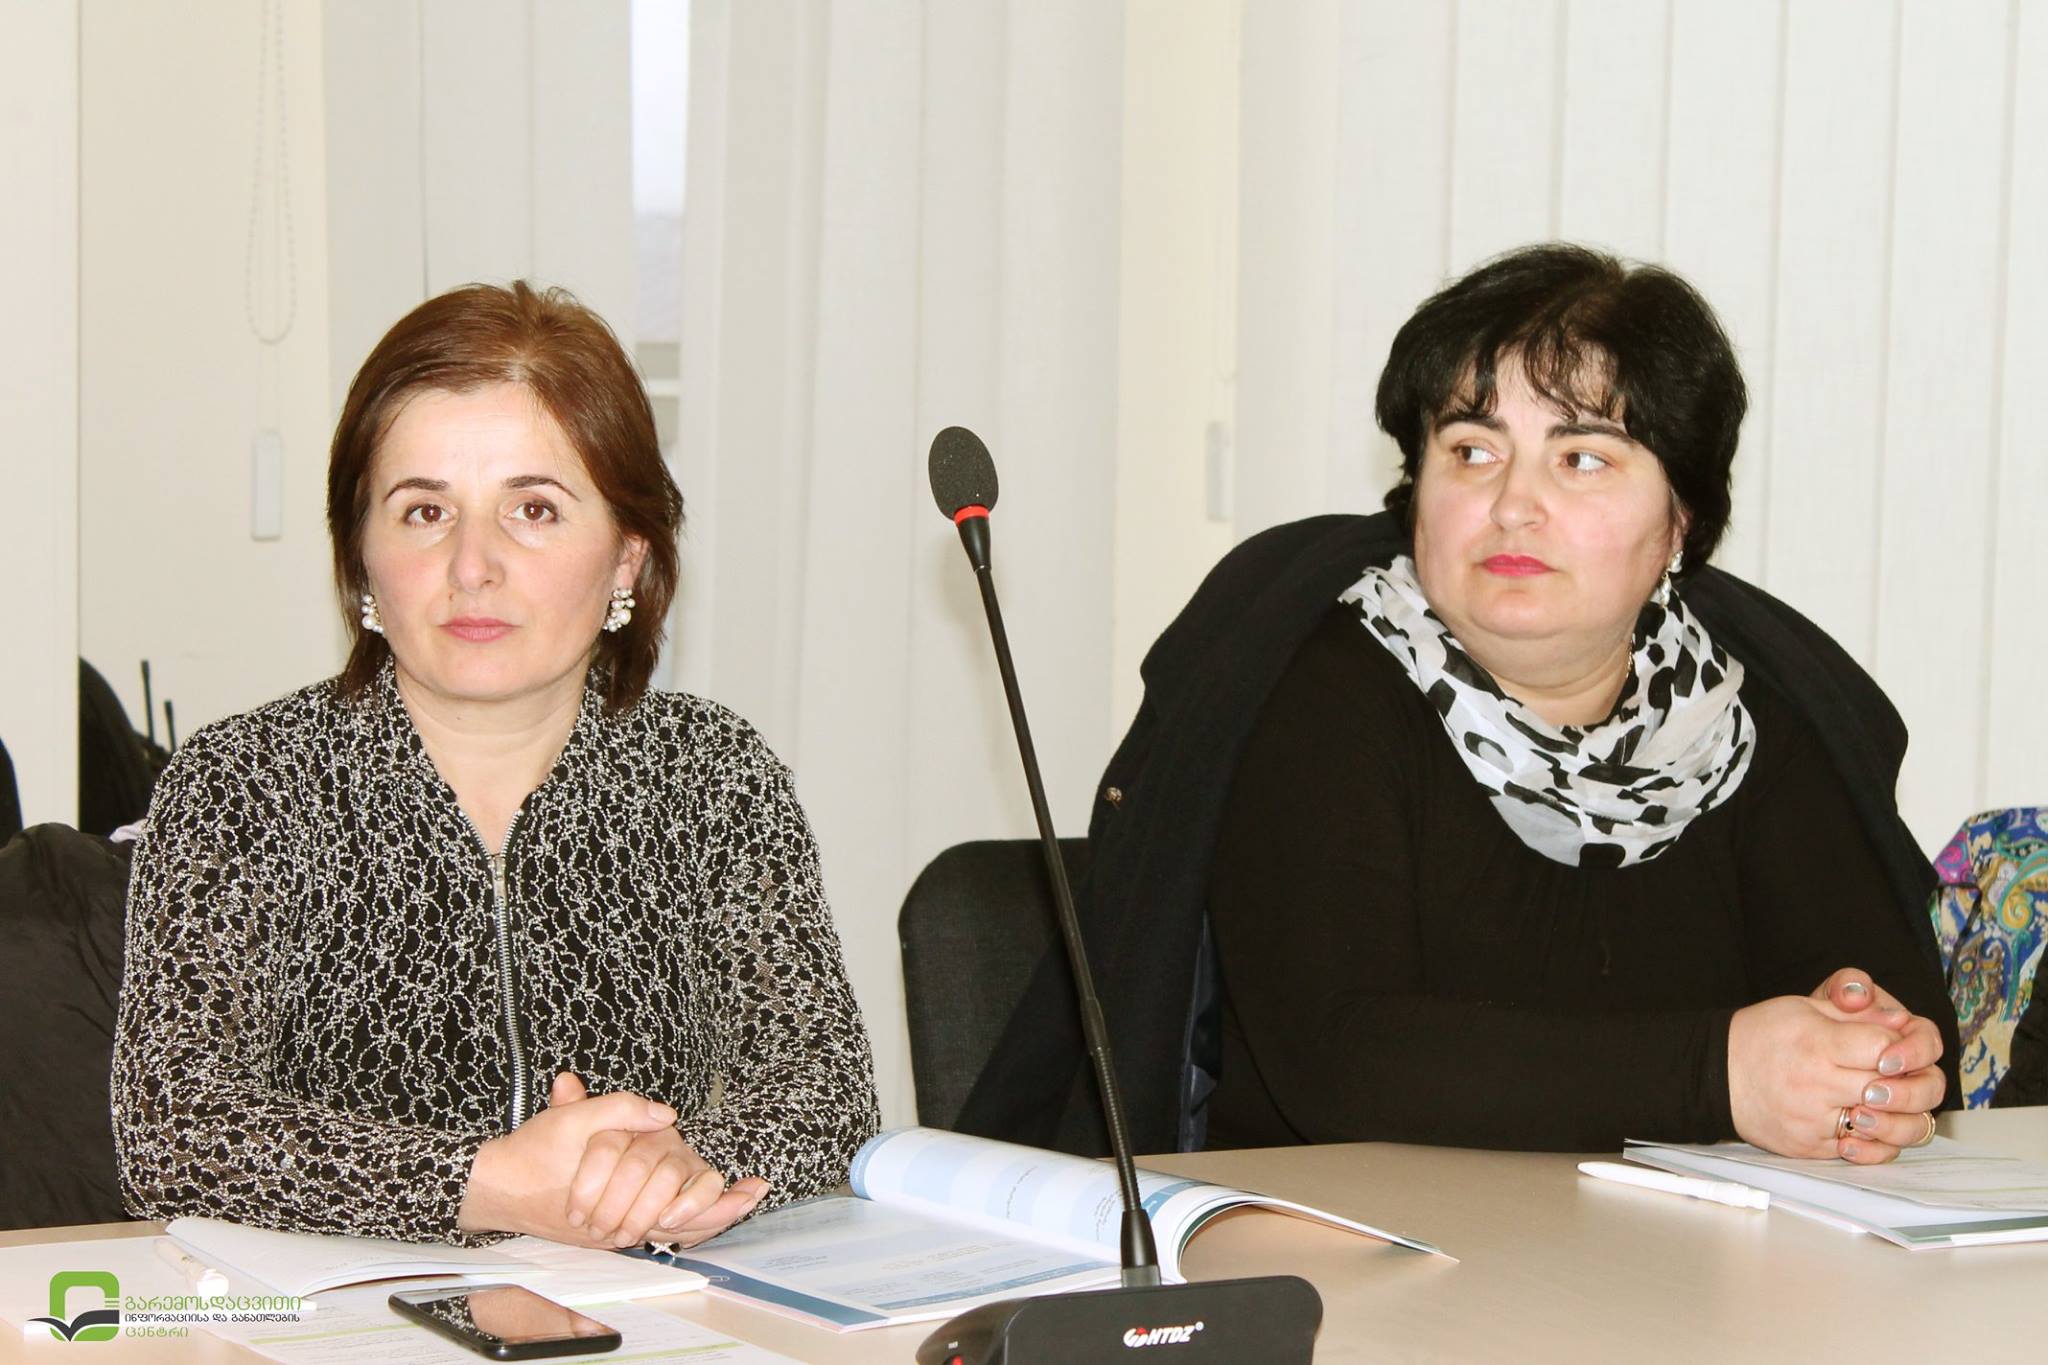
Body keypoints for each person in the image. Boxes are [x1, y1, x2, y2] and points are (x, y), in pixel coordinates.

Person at [953, 243, 1958, 1165]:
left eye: (1582, 458)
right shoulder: (1317, 683)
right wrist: (1718, 1073)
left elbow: (1900, 1010)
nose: (1513, 503)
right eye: (1472, 450)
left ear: (1679, 523)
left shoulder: (1742, 711)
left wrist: (1869, 1055)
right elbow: (1343, 1061)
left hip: (1670, 1256)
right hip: (1345, 1239)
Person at [112, 282, 879, 1248]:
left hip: (642, 1308)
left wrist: (675, 1166)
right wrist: (489, 1184)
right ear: (361, 554)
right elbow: (173, 1128)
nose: (472, 563)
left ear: (627, 556)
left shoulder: (709, 772)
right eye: (425, 511)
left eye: (534, 508)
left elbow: (825, 1087)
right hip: (338, 1314)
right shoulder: (244, 782)